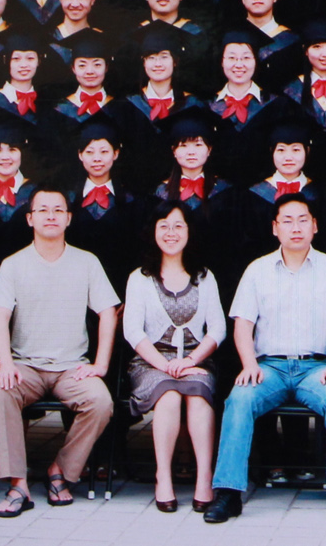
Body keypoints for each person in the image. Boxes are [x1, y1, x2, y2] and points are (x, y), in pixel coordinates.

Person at [205, 195, 326, 525]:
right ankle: (228, 494)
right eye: (287, 221)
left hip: (317, 367)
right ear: (275, 228)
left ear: (315, 226)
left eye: (303, 220)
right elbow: (242, 325)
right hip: (269, 367)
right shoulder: (257, 270)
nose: (296, 227)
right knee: (239, 400)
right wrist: (249, 364)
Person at [0, 188, 121, 516]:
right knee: (1, 392)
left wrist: (101, 364)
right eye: (42, 210)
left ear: (68, 219)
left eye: (58, 210)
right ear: (29, 219)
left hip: (72, 367)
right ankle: (18, 484)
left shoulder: (86, 262)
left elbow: (108, 311)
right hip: (25, 365)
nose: (50, 216)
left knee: (100, 402)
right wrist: (5, 364)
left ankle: (60, 469)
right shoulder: (13, 264)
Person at [121, 202, 222, 513]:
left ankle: (204, 478)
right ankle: (163, 477)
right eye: (163, 226)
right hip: (151, 361)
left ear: (189, 232)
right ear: (153, 232)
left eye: (178, 226)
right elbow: (132, 331)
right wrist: (165, 365)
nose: (171, 233)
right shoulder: (139, 278)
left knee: (198, 396)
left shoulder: (204, 276)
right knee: (168, 396)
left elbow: (218, 329)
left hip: (196, 360)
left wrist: (191, 362)